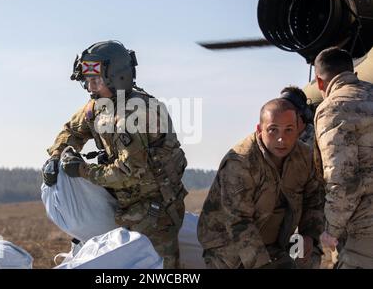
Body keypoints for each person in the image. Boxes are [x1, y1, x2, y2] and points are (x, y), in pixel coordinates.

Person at [42, 40, 188, 269]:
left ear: (117, 78)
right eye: (87, 81)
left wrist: (81, 170)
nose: (90, 88)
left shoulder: (135, 113)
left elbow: (128, 172)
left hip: (154, 212)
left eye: (95, 81)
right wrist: (56, 156)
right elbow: (72, 130)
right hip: (122, 204)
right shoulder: (99, 105)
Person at [197, 98, 324, 269]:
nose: (281, 139)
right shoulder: (241, 162)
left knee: (309, 257)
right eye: (273, 130)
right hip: (228, 245)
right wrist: (263, 265)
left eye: (288, 130)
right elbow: (237, 222)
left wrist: (309, 235)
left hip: (276, 242)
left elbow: (314, 199)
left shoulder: (304, 157)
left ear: (298, 131)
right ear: (259, 130)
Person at [314, 47, 373, 269]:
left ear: (320, 83)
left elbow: (343, 180)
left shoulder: (332, 108)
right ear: (353, 73)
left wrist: (331, 230)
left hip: (365, 235)